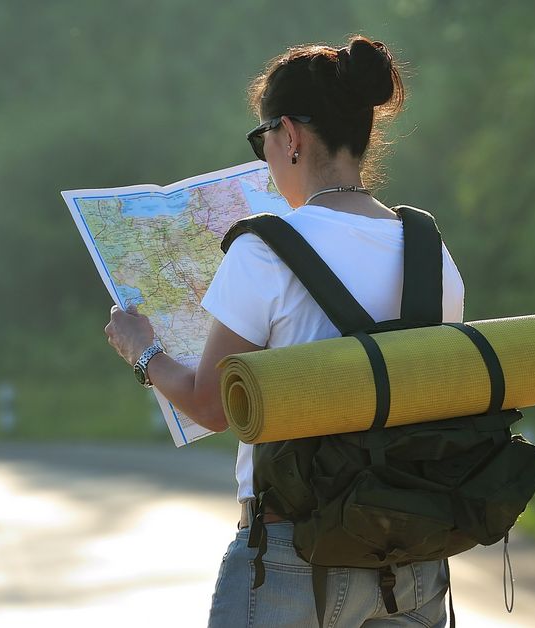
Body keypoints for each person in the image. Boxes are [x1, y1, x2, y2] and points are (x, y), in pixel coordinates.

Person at [104, 34, 465, 627]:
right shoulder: (431, 250)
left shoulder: (264, 252)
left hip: (293, 558)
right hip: (414, 557)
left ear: (290, 136)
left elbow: (211, 406)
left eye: (263, 139)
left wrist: (145, 353)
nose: (266, 157)